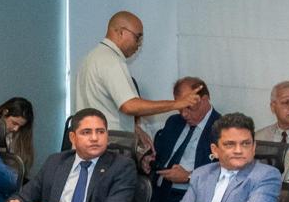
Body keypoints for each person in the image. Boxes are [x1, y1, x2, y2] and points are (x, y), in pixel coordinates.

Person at [168, 113, 282, 202]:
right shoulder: (202, 174)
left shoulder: (267, 176)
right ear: (215, 150)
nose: (239, 150)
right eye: (230, 144)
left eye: (245, 144)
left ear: (253, 148)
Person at [73, 11, 201, 134]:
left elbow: (103, 107)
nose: (139, 44)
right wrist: (177, 104)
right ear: (121, 32)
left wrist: (134, 129)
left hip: (89, 141)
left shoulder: (90, 58)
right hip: (107, 144)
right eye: (137, 37)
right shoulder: (111, 61)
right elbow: (129, 106)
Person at [6, 108, 136, 202]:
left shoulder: (121, 166)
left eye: (101, 132)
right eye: (86, 132)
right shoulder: (55, 162)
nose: (95, 138)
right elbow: (24, 196)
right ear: (73, 138)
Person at [148, 77, 221, 202]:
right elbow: (158, 156)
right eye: (180, 108)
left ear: (204, 100)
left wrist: (188, 177)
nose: (184, 114)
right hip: (158, 191)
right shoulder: (174, 122)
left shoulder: (221, 129)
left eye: (189, 107)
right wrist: (146, 160)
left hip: (190, 198)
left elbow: (223, 174)